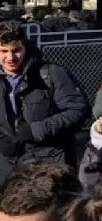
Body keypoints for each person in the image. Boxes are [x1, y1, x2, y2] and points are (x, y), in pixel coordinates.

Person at [0, 21, 88, 184]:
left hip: (47, 166)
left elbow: (78, 110)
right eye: (4, 51)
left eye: (16, 50)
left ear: (25, 46)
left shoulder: (51, 73)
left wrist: (38, 130)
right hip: (7, 169)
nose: (10, 57)